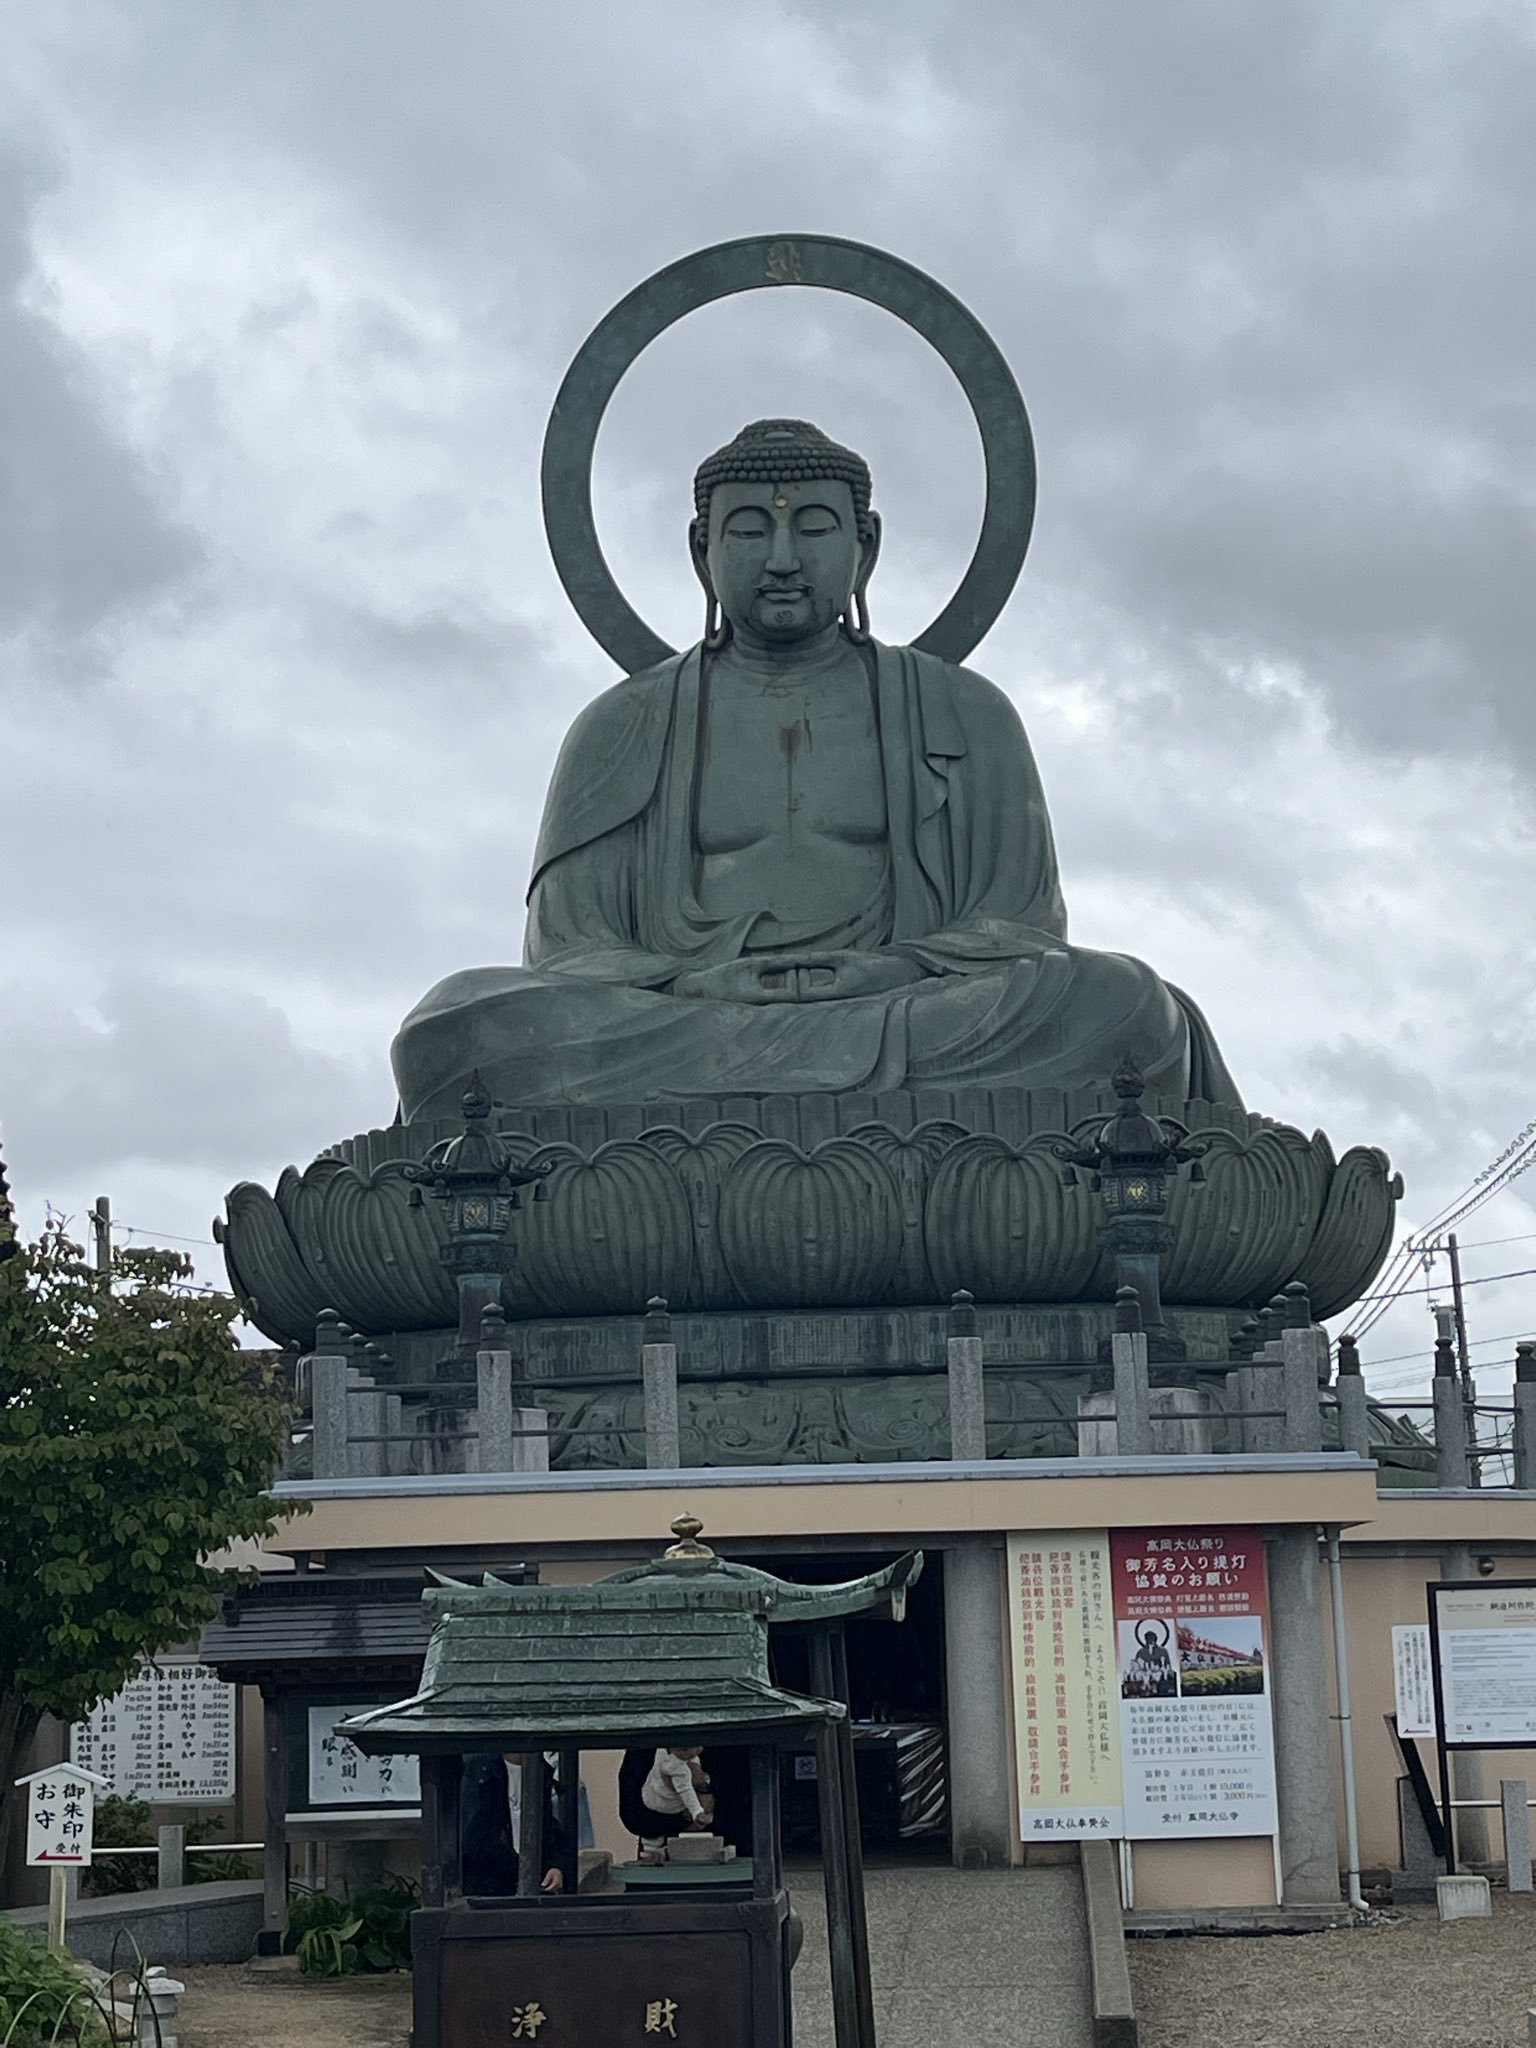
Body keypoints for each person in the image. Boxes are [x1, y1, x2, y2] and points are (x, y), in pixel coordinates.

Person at [393, 418, 1241, 1120]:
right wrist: (700, 980)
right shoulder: (621, 724)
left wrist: (895, 969)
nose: (784, 558)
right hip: (688, 1018)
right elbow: (570, 951)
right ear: (702, 550)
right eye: (750, 531)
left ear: (864, 544)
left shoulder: (966, 712)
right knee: (458, 1027)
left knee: (1123, 1005)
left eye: (815, 527)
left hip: (903, 1014)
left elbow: (1017, 932)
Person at [460, 1752, 571, 1896]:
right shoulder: (478, 1771)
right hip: (488, 1886)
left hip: (535, 1883)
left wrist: (556, 1866)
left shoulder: (543, 1772)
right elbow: (471, 1833)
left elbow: (554, 1830)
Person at [635, 1745, 715, 1863]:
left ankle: (649, 1852)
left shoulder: (662, 1750)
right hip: (665, 1803)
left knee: (652, 1838)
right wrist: (697, 1812)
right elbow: (686, 1790)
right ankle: (649, 1854)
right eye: (682, 1749)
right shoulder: (677, 1766)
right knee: (652, 1836)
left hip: (651, 1792)